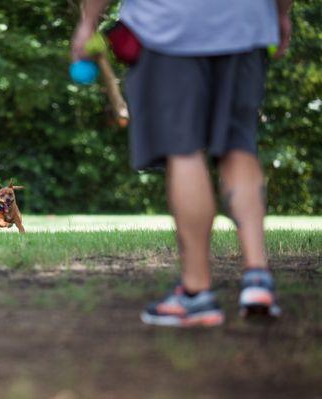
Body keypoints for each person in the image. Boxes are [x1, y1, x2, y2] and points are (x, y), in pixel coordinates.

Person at [72, 0, 292, 327]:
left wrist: (88, 22)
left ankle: (196, 293)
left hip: (169, 26)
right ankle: (257, 279)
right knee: (239, 146)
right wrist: (280, 14)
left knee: (184, 149)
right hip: (247, 24)